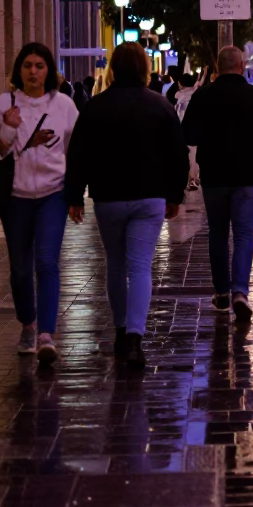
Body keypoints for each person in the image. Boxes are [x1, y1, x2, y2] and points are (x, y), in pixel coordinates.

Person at [65, 43, 188, 369]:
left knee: (116, 264)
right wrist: (175, 194)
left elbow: (78, 153)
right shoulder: (160, 106)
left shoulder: (95, 107)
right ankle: (135, 337)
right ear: (145, 69)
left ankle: (120, 330)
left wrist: (75, 196)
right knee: (140, 266)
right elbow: (178, 154)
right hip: (149, 197)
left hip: (108, 197)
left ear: (113, 69)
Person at [0, 42, 79, 363]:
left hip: (53, 194)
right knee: (21, 268)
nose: (33, 72)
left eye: (39, 65)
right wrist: (8, 130)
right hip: (15, 198)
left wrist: (75, 191)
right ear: (18, 70)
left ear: (49, 70)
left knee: (47, 262)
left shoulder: (64, 104)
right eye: (27, 65)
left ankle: (47, 334)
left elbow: (74, 150)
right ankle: (28, 324)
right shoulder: (2, 106)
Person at [182, 47, 253, 320]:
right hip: (248, 176)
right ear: (242, 65)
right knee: (244, 234)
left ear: (217, 66)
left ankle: (221, 292)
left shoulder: (203, 96)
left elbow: (188, 134)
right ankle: (239, 291)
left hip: (214, 176)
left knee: (217, 233)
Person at [174, 73, 201, 190]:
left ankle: (190, 179)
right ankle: (193, 178)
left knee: (186, 155)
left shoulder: (179, 96)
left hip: (181, 129)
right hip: (194, 129)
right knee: (193, 154)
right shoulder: (196, 94)